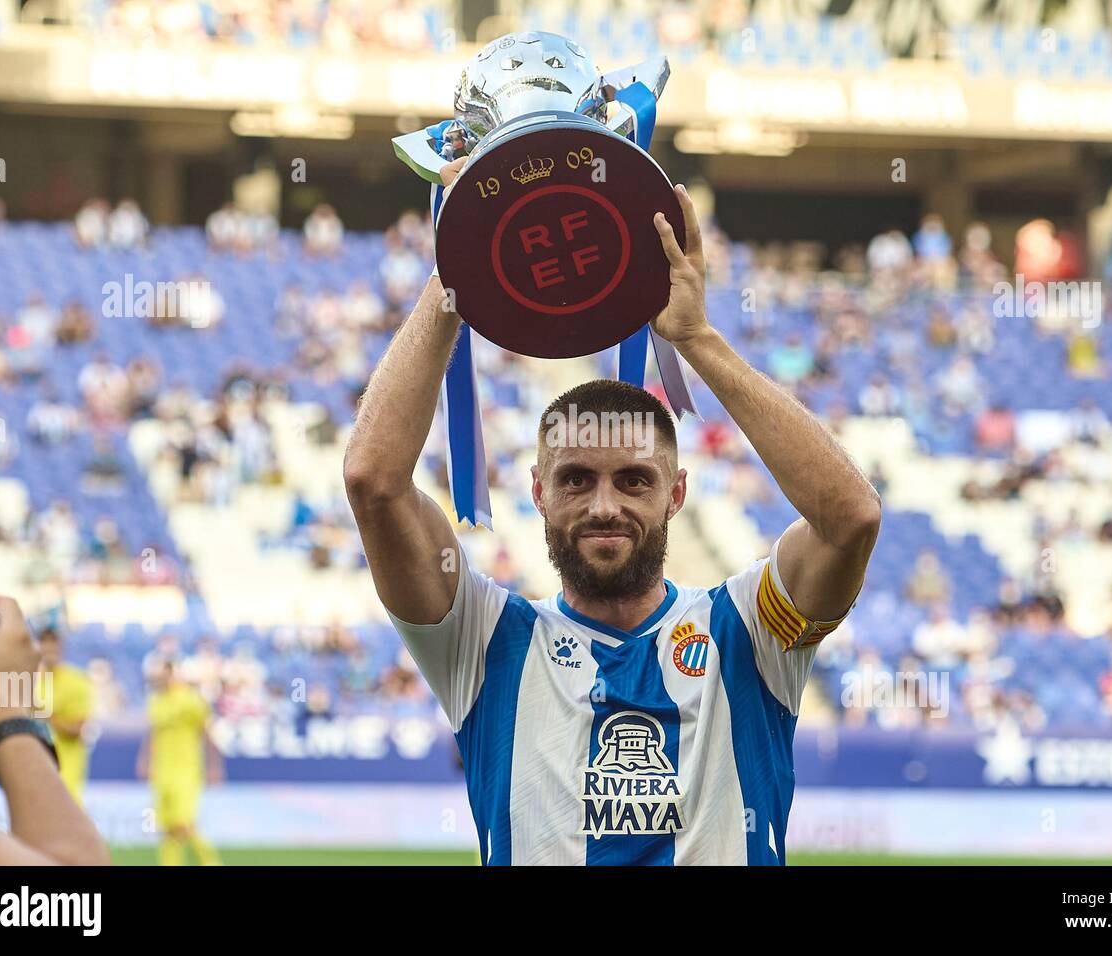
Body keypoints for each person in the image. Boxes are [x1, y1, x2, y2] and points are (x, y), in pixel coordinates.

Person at [343, 159, 881, 865]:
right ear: (536, 491)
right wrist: (456, 271)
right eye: (575, 480)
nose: (604, 506)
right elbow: (372, 481)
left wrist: (697, 341)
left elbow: (852, 518)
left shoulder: (751, 633)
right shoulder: (484, 643)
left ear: (677, 493)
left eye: (633, 480)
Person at [0, 568, 109, 865]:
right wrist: (0, 702)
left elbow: (80, 726)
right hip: (38, 771)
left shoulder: (75, 680)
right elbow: (69, 906)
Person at [138, 660, 224, 866]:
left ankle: (211, 862)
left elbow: (206, 733)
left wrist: (214, 765)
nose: (160, 678)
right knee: (167, 828)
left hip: (187, 771)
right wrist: (144, 759)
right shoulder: (156, 701)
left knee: (183, 824)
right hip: (162, 771)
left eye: (164, 673)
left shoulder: (190, 700)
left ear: (172, 673)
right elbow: (153, 733)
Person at [35, 628, 94, 805]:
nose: (49, 654)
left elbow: (77, 728)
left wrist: (45, 715)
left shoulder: (76, 681)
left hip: (66, 765)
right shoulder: (31, 679)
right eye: (44, 649)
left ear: (61, 648)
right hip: (36, 763)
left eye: (53, 649)